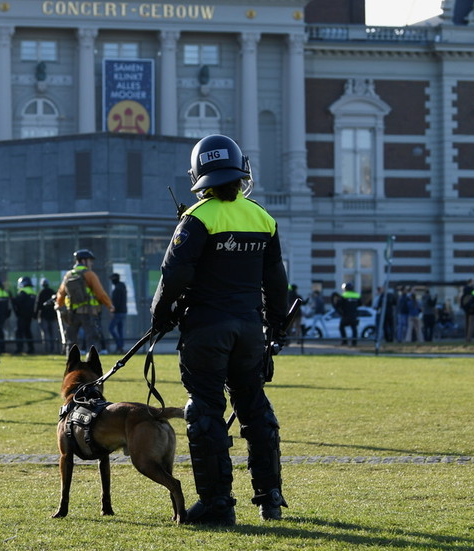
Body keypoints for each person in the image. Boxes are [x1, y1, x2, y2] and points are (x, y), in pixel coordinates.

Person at [150, 134, 289, 526]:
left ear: (200, 175)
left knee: (206, 412)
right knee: (256, 411)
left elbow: (174, 274)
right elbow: (276, 280)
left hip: (207, 330)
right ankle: (270, 498)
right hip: (249, 330)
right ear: (241, 170)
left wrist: (160, 314)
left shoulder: (196, 218)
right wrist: (276, 325)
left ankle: (217, 504)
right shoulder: (263, 217)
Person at [55, 249, 114, 353]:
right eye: (90, 260)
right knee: (92, 339)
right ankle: (91, 362)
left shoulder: (68, 275)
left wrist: (58, 304)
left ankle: (71, 363)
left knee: (71, 341)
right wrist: (109, 305)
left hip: (72, 313)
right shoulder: (89, 274)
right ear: (83, 261)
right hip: (88, 313)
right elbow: (100, 292)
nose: (91, 263)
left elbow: (61, 293)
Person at [12, 276, 37, 354]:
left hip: (22, 316)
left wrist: (12, 299)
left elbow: (17, 302)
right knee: (28, 332)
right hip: (29, 316)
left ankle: (19, 349)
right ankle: (31, 348)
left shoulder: (22, 292)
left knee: (19, 332)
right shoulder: (33, 292)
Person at [34, 278, 58, 354]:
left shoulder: (41, 292)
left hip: (43, 316)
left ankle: (47, 350)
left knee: (45, 333)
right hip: (53, 316)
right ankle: (53, 349)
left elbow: (37, 305)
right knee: (53, 333)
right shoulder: (52, 292)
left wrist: (35, 315)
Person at [108, 273, 128, 354]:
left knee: (111, 328)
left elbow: (116, 302)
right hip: (123, 312)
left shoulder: (117, 289)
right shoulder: (122, 287)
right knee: (120, 330)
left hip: (118, 313)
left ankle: (119, 345)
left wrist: (113, 311)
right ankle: (120, 347)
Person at [338, 282, 361, 346]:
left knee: (341, 327)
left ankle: (344, 341)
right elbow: (360, 303)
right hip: (354, 315)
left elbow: (339, 304)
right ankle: (354, 342)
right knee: (354, 329)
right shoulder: (357, 295)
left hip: (346, 315)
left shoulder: (344, 295)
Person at [461, 278, 474, 343]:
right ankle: (469, 338)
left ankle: (466, 338)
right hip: (471, 311)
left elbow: (462, 303)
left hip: (466, 311)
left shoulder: (464, 294)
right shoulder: (472, 292)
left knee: (466, 324)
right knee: (470, 325)